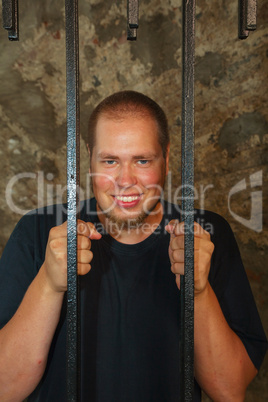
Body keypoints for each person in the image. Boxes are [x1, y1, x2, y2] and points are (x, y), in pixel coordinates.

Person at [0, 90, 267, 402]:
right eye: (110, 161)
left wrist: (199, 291)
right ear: (89, 159)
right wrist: (48, 283)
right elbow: (5, 387)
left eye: (142, 160)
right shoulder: (38, 231)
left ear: (166, 159)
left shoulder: (205, 235)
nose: (125, 180)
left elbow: (229, 389)